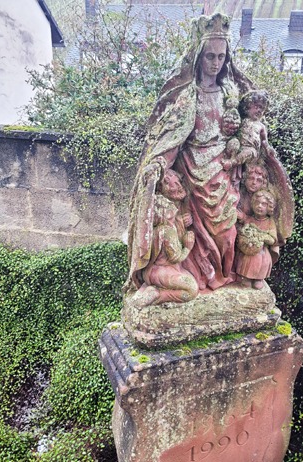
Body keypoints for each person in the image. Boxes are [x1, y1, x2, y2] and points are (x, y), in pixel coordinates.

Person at [123, 13, 294, 298]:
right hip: (193, 172)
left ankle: (227, 279)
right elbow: (172, 139)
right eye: (210, 56)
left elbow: (246, 130)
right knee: (197, 234)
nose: (215, 63)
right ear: (199, 57)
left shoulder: (230, 92)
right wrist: (158, 164)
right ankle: (199, 280)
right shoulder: (188, 96)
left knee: (228, 234)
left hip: (224, 172)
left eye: (221, 57)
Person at [130, 195, 198, 308]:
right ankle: (159, 295)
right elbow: (175, 258)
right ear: (164, 213)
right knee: (192, 290)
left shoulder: (156, 229)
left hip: (150, 272)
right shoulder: (167, 231)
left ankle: (148, 289)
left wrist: (182, 222)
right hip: (162, 273)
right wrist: (188, 247)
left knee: (189, 278)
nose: (172, 205)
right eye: (167, 205)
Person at [236, 190, 278, 289]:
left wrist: (262, 237)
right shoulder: (250, 219)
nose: (259, 206)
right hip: (249, 249)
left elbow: (272, 239)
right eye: (257, 203)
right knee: (247, 261)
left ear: (269, 207)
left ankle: (258, 279)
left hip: (261, 251)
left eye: (264, 204)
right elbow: (243, 221)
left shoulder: (270, 222)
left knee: (260, 262)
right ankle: (246, 278)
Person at [222, 90, 272, 172]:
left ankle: (232, 163)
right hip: (240, 146)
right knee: (233, 142)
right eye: (257, 107)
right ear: (248, 106)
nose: (259, 110)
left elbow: (264, 141)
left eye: (262, 108)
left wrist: (268, 148)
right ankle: (231, 157)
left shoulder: (261, 126)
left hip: (252, 150)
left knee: (248, 152)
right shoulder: (243, 120)